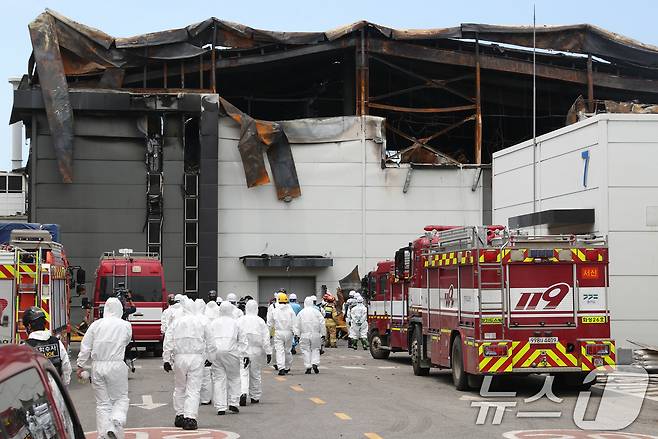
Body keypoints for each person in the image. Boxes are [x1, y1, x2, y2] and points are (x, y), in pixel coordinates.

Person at [76, 297, 132, 439]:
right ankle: (115, 424)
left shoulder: (96, 325)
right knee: (120, 399)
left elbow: (86, 346)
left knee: (102, 404)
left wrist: (80, 365)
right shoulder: (125, 325)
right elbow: (126, 341)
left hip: (97, 366)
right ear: (120, 309)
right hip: (116, 364)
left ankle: (103, 435)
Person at [163, 297, 206, 431]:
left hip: (180, 357)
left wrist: (166, 359)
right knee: (193, 388)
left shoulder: (176, 322)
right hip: (196, 358)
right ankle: (190, 417)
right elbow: (210, 340)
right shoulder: (201, 322)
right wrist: (211, 356)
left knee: (180, 387)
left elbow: (168, 340)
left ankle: (179, 414)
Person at [205, 301, 247, 415]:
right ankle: (233, 402)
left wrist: (208, 356)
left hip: (216, 353)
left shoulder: (213, 323)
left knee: (218, 379)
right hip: (232, 352)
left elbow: (208, 340)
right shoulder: (236, 323)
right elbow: (243, 340)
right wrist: (244, 355)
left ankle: (220, 407)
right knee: (234, 378)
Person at [23, 307, 72, 385]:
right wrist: (63, 386)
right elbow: (66, 366)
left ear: (29, 326)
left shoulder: (25, 347)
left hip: (36, 392)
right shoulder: (56, 342)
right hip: (56, 389)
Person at [237, 299, 272, 405]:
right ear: (256, 308)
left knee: (243, 372)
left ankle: (242, 392)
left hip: (243, 350)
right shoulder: (260, 321)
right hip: (256, 351)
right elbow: (266, 338)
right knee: (255, 374)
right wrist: (268, 352)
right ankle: (255, 396)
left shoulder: (240, 320)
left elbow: (235, 336)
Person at [294, 297, 326, 374]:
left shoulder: (301, 313)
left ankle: (308, 367)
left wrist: (296, 334)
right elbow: (322, 323)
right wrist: (323, 334)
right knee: (315, 349)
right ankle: (315, 363)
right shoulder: (317, 312)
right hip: (316, 334)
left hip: (304, 335)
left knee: (305, 350)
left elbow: (296, 325)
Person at [267, 292, 297, 375]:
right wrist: (296, 333)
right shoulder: (290, 309)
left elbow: (270, 323)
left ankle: (281, 368)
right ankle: (287, 367)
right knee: (288, 350)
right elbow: (295, 322)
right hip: (289, 333)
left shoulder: (275, 310)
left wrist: (270, 332)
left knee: (279, 350)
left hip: (278, 332)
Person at [200, 300, 219, 405]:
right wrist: (211, 357)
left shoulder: (191, 319)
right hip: (207, 349)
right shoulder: (206, 320)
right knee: (209, 375)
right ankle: (206, 399)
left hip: (193, 352)